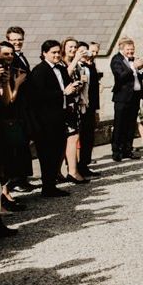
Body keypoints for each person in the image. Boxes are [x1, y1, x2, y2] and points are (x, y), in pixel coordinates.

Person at [27, 40, 75, 198]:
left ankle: (51, 185)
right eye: (53, 52)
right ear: (44, 53)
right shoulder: (39, 71)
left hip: (60, 116)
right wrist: (63, 93)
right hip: (45, 120)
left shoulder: (61, 69)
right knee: (47, 154)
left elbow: (67, 87)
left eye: (58, 52)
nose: (56, 55)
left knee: (57, 152)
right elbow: (38, 96)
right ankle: (47, 187)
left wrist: (74, 88)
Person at [0, 41, 28, 216]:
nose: (9, 57)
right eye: (5, 53)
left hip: (6, 118)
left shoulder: (7, 72)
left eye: (11, 54)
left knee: (5, 162)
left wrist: (6, 82)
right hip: (4, 119)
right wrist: (17, 84)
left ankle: (5, 196)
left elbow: (6, 99)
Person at [5, 26, 34, 192]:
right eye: (13, 40)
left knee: (23, 143)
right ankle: (15, 181)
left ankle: (22, 178)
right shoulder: (9, 59)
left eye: (19, 39)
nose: (17, 42)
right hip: (13, 107)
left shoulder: (20, 57)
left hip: (23, 107)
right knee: (16, 144)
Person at [111, 37, 143, 161]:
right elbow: (120, 76)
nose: (131, 52)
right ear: (122, 49)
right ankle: (116, 152)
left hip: (135, 97)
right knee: (119, 125)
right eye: (128, 49)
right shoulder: (116, 60)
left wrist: (141, 67)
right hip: (122, 97)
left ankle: (128, 149)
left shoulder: (135, 60)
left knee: (131, 125)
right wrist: (133, 68)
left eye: (132, 49)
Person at [59, 38, 88, 183]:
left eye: (75, 47)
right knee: (71, 138)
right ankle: (72, 172)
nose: (73, 49)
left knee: (73, 137)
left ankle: (69, 170)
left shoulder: (76, 65)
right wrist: (76, 59)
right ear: (64, 48)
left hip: (75, 103)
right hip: (65, 105)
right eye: (70, 47)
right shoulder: (62, 63)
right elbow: (65, 76)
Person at [78, 41, 102, 178]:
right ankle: (75, 166)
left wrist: (96, 109)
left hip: (90, 106)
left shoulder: (90, 66)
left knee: (88, 137)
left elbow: (94, 89)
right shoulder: (74, 66)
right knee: (78, 138)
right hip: (78, 106)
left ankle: (84, 164)